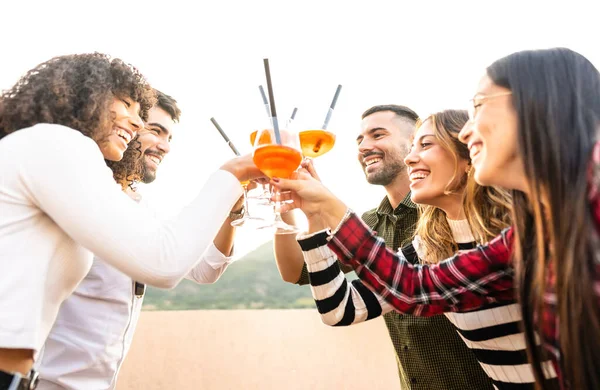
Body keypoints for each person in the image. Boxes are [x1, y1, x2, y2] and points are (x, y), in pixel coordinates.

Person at [272, 48, 600, 389]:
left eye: (479, 107)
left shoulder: (534, 225)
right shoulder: (452, 243)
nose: (470, 132)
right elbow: (388, 294)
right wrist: (316, 212)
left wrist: (330, 207)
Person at [0, 53, 262, 388]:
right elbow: (163, 263)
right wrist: (233, 172)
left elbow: (196, 264)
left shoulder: (65, 166)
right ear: (82, 95)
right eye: (126, 104)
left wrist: (231, 202)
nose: (136, 124)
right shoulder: (57, 143)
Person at [297, 109, 559, 389]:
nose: (410, 159)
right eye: (411, 148)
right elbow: (339, 309)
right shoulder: (431, 246)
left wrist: (330, 206)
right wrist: (314, 215)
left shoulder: (518, 235)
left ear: (468, 158)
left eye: (425, 144)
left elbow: (411, 288)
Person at [275, 105, 492, 389]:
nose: (364, 147)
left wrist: (328, 206)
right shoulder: (427, 242)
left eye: (378, 134)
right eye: (359, 140)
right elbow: (326, 296)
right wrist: (308, 212)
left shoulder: (504, 235)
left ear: (469, 157)